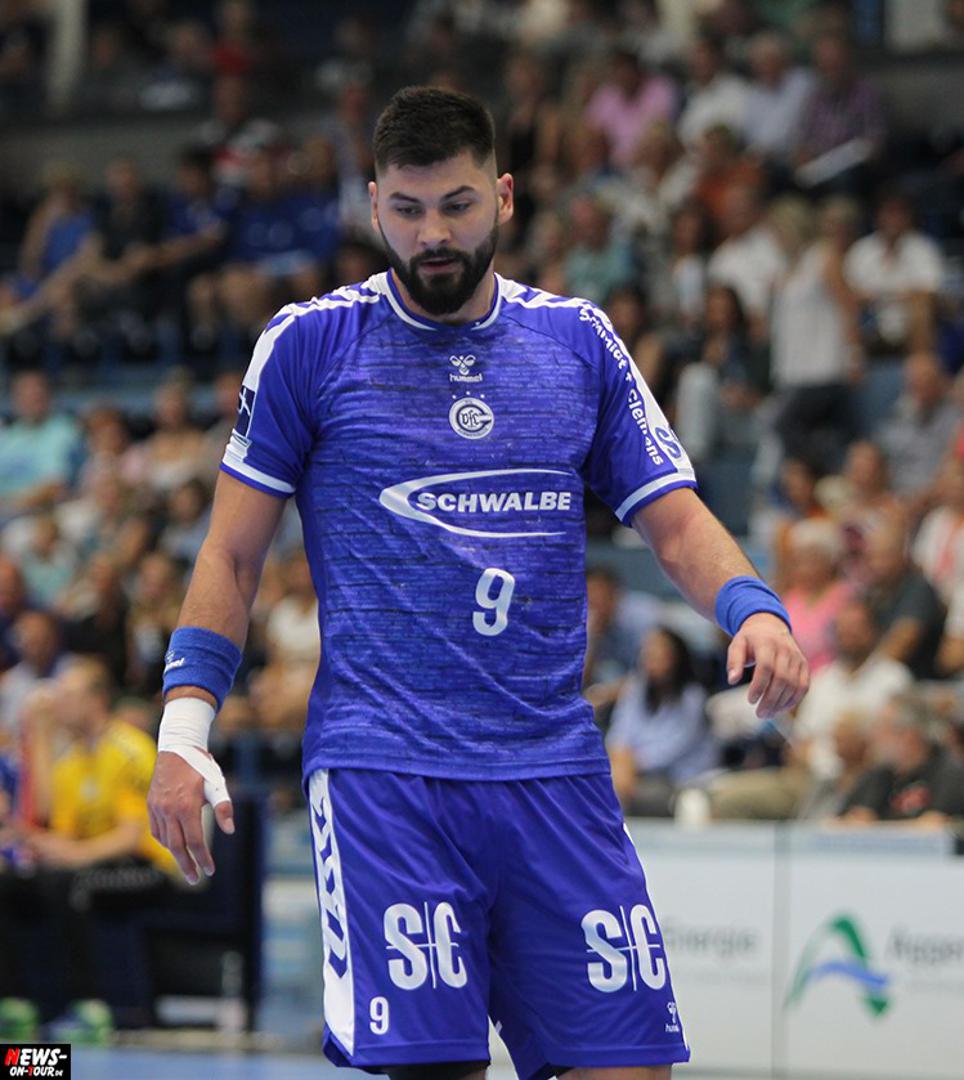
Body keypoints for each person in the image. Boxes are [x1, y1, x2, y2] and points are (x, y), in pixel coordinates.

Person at [149, 87, 808, 1080]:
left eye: (456, 205)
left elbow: (673, 519)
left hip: (553, 768)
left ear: (502, 196)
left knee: (630, 1069)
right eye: (407, 209)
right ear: (374, 207)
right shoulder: (308, 344)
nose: (433, 235)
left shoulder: (576, 340)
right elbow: (230, 556)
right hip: (387, 769)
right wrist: (183, 733)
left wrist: (753, 609)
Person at [607, 627, 717, 817]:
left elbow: (671, 750)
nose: (653, 658)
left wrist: (632, 763)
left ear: (677, 657)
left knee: (628, 793)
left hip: (680, 779)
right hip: (632, 772)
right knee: (601, 786)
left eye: (660, 652)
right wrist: (620, 758)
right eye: (648, 652)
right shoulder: (636, 688)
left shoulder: (693, 698)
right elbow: (619, 732)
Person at [836, 692, 964, 828]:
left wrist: (870, 827)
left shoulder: (950, 773)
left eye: (881, 727)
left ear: (908, 735)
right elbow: (836, 823)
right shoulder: (877, 774)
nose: (873, 735)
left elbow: (933, 826)